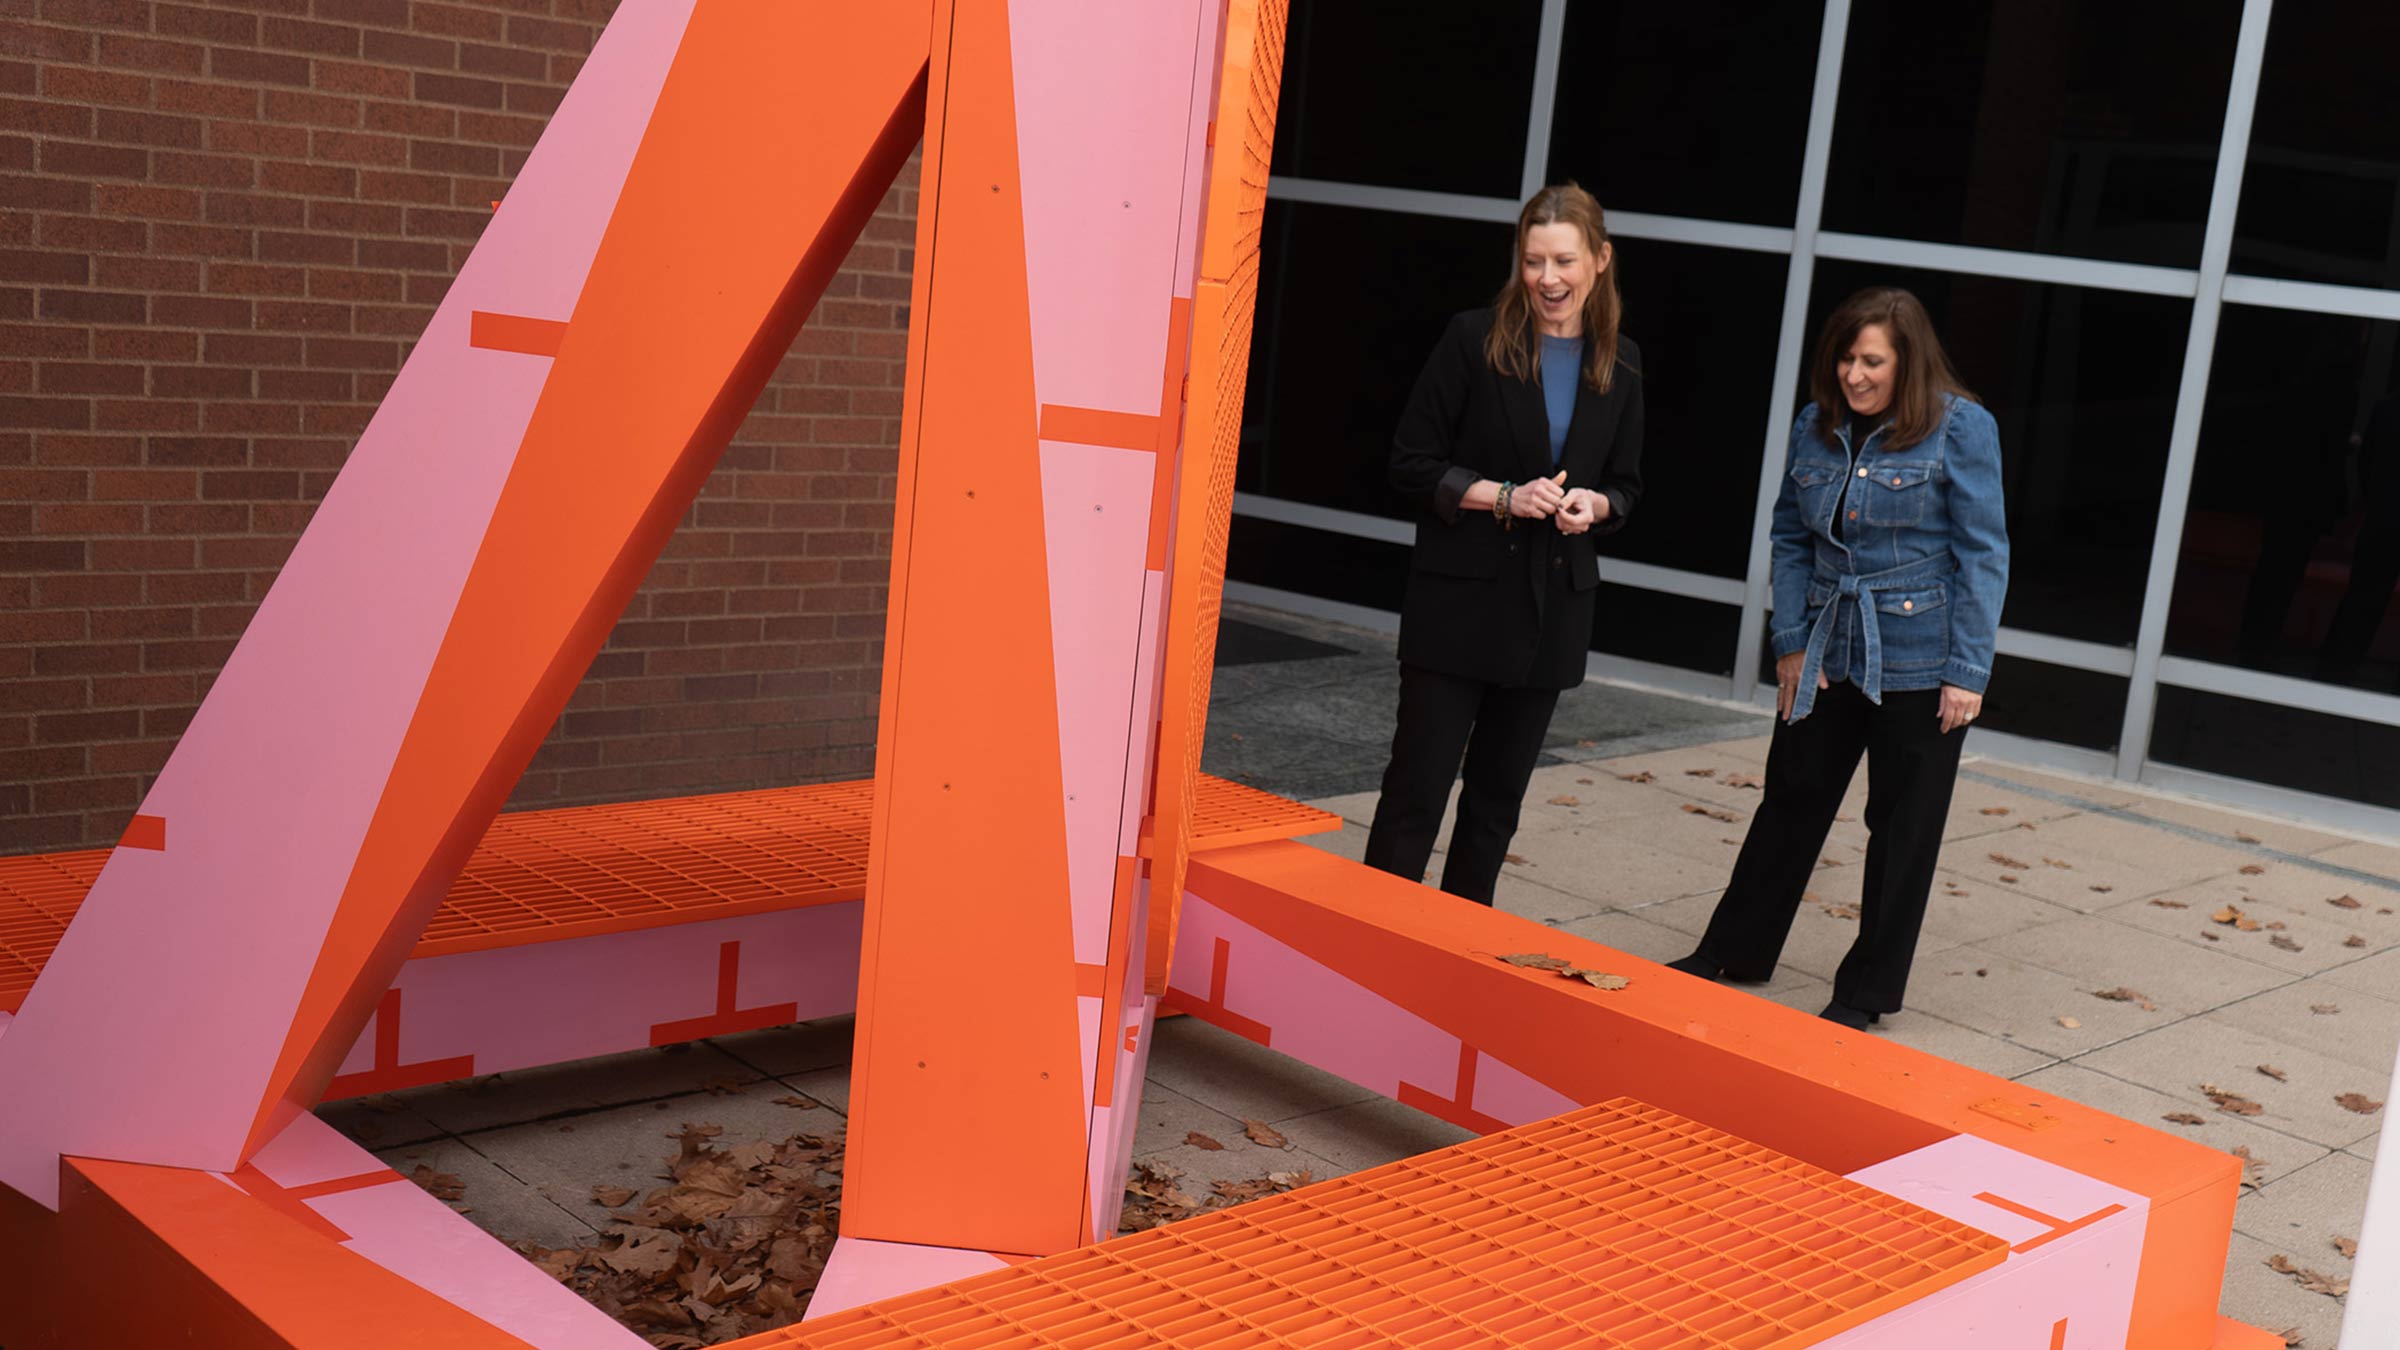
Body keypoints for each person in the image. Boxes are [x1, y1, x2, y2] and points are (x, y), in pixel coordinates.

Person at [1666, 287, 2007, 1029]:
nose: (1855, 376)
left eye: (1873, 361)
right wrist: (1790, 642)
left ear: (1907, 362)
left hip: (1922, 655)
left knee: (1903, 826)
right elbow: (1790, 537)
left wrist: (1967, 673)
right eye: (1847, 359)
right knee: (1789, 797)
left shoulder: (1961, 428)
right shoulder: (1814, 427)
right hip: (1826, 642)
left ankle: (1865, 993)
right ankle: (1734, 950)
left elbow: (1985, 554)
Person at [1363, 183, 1645, 906]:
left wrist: (1597, 504)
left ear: (1600, 260)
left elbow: (1627, 487)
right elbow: (1410, 464)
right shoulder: (1472, 338)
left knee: (1494, 810)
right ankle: (1368, 961)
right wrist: (1506, 497)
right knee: (1415, 797)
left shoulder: (1623, 364)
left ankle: (1457, 965)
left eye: (1563, 261)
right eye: (1532, 261)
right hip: (1456, 605)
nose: (1548, 279)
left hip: (1550, 617)